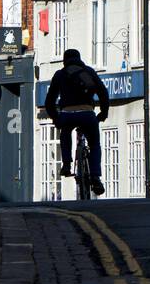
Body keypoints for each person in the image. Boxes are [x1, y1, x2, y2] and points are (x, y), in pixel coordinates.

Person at [43, 48, 110, 196]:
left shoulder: (59, 75)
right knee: (94, 144)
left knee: (65, 132)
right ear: (79, 58)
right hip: (87, 113)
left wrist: (56, 118)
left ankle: (66, 164)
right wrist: (103, 113)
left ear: (64, 60)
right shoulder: (89, 72)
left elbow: (49, 101)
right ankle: (95, 177)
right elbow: (103, 92)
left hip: (67, 114)